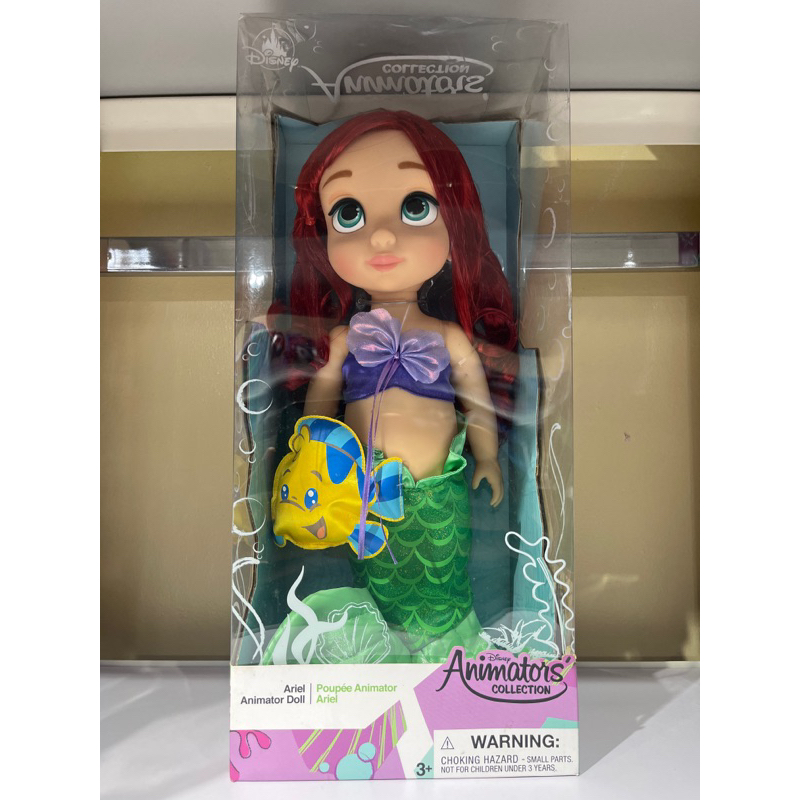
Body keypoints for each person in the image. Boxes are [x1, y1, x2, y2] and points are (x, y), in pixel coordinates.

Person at [268, 110, 517, 663]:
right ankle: (386, 670)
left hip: (438, 491)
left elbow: (478, 400)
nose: (381, 234)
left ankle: (453, 664)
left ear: (457, 226)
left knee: (444, 580)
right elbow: (320, 405)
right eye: (349, 213)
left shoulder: (448, 335)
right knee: (382, 586)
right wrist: (308, 453)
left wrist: (487, 456)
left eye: (416, 206)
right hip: (364, 496)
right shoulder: (346, 338)